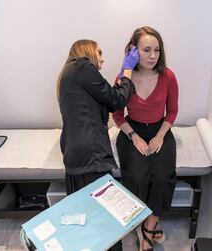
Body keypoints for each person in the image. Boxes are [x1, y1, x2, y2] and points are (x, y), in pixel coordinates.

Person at [57, 39, 139, 251]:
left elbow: (106, 97)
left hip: (75, 151)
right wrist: (128, 70)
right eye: (99, 52)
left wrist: (122, 74)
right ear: (86, 51)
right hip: (89, 154)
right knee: (105, 217)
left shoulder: (68, 73)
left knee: (85, 215)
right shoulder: (84, 67)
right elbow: (116, 101)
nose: (102, 58)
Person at [112, 26, 179, 251]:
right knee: (138, 175)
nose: (153, 56)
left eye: (157, 50)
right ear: (133, 51)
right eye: (146, 50)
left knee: (162, 176)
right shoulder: (124, 77)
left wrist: (160, 136)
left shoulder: (168, 76)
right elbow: (117, 115)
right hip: (133, 131)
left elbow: (172, 112)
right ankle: (141, 221)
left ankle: (149, 227)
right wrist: (134, 137)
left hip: (160, 131)